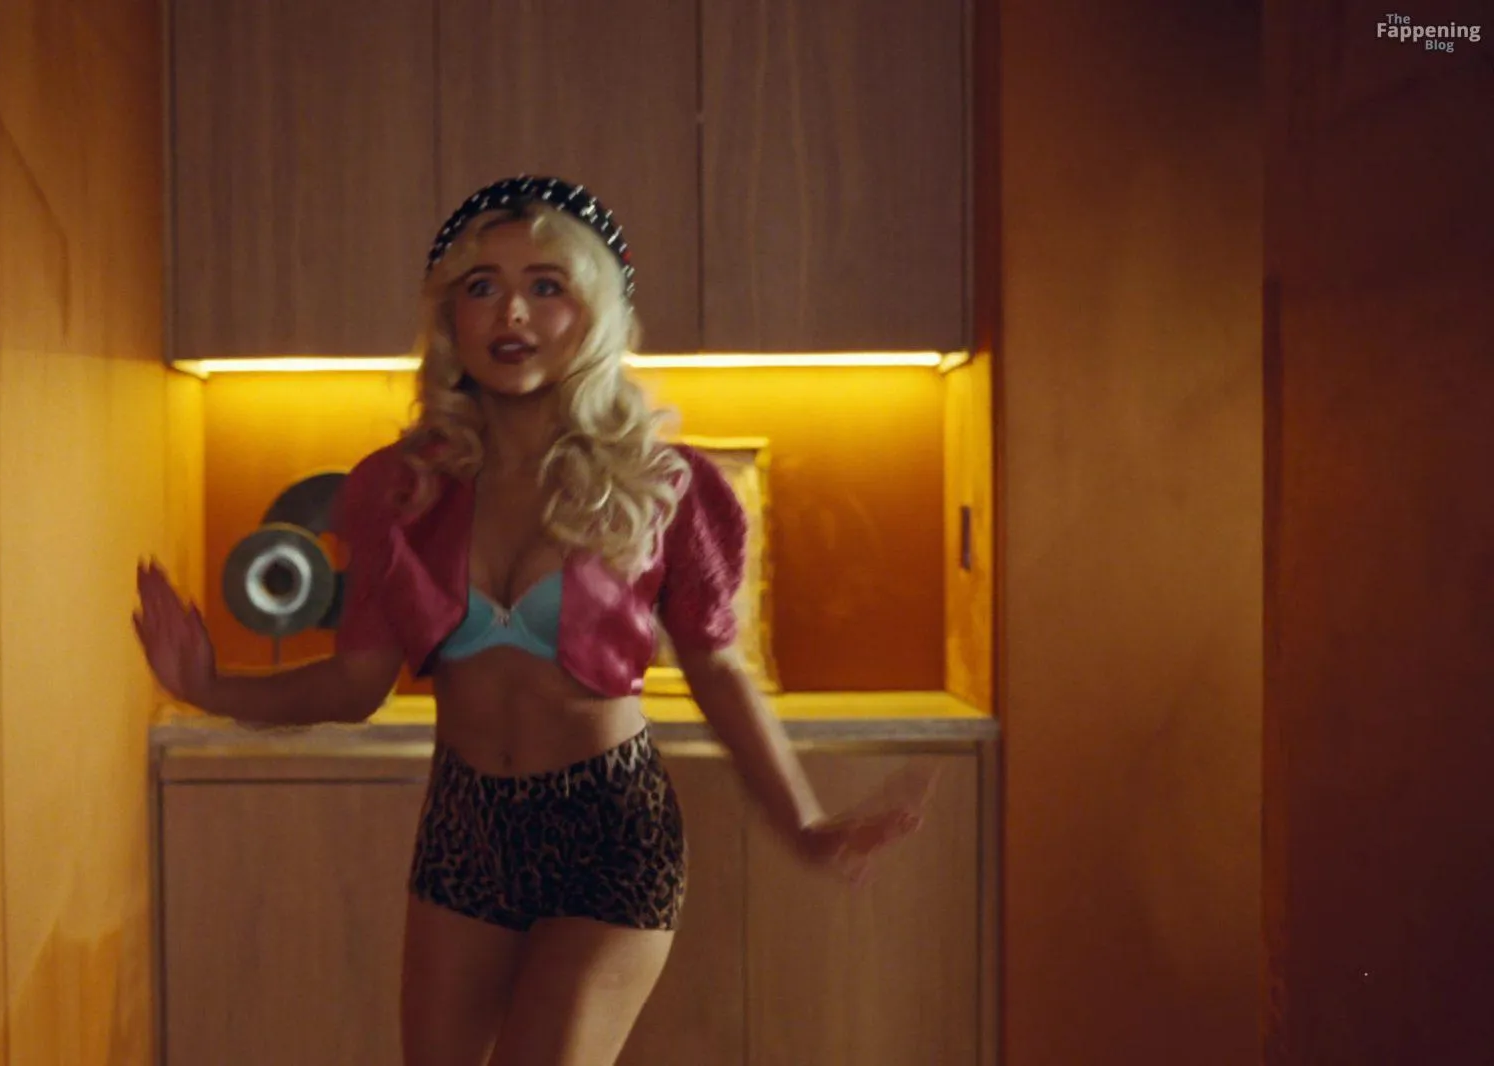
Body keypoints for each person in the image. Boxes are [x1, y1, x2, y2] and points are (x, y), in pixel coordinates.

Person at [133, 175, 932, 1066]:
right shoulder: (400, 488)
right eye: (483, 286)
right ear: (452, 316)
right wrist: (210, 686)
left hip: (612, 827)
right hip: (465, 826)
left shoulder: (662, 484)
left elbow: (717, 668)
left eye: (546, 285)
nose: (511, 311)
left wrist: (805, 824)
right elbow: (357, 684)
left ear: (594, 312)